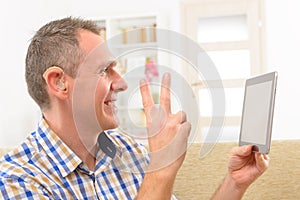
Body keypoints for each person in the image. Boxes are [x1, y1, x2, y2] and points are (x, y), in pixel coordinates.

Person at [0, 17, 269, 199]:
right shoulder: (17, 181)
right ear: (59, 83)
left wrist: (235, 182)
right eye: (105, 70)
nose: (121, 83)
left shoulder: (129, 151)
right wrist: (161, 170)